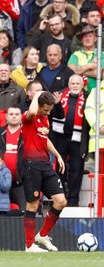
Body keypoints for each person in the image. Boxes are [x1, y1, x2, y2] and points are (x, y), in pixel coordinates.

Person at [22, 91, 67, 252]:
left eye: (50, 110)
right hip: (31, 165)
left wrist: (57, 154)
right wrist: (37, 95)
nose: (48, 113)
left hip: (46, 165)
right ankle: (29, 246)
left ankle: (42, 235)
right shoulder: (29, 116)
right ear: (38, 105)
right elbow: (33, 111)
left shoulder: (44, 119)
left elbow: (44, 137)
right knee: (32, 205)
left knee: (61, 201)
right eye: (46, 109)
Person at [51, 75, 88, 207]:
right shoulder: (59, 95)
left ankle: (73, 200)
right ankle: (60, 198)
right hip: (60, 138)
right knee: (60, 169)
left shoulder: (88, 97)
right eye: (73, 83)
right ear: (68, 84)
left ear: (82, 85)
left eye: (78, 83)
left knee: (76, 170)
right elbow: (52, 114)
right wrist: (57, 104)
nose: (75, 86)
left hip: (78, 140)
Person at [0, 105, 26, 210]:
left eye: (17, 114)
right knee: (1, 214)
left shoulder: (27, 133)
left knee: (24, 214)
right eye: (11, 114)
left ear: (21, 117)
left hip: (21, 182)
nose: (14, 117)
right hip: (0, 182)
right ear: (6, 117)